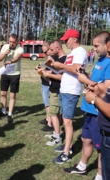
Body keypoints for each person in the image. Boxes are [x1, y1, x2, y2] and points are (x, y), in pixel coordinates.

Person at [64, 31, 110, 180]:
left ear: (106, 44)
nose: (94, 49)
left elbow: (106, 88)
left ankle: (100, 174)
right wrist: (87, 75)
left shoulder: (109, 61)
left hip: (99, 110)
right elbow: (97, 80)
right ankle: (82, 167)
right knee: (86, 139)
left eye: (97, 46)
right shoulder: (100, 59)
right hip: (89, 108)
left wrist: (84, 80)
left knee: (100, 148)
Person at [51, 29, 87, 164]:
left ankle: (67, 152)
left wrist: (61, 65)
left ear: (75, 39)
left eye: (67, 39)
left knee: (67, 122)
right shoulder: (72, 53)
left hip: (71, 91)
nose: (65, 41)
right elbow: (68, 68)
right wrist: (57, 67)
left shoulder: (80, 52)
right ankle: (68, 144)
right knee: (65, 121)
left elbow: (76, 69)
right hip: (65, 89)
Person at [41, 40, 66, 146]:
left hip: (57, 89)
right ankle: (55, 133)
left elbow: (61, 76)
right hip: (53, 88)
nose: (50, 52)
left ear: (58, 48)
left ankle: (57, 137)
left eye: (51, 49)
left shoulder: (64, 60)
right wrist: (44, 72)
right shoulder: (58, 59)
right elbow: (54, 72)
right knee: (54, 113)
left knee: (53, 113)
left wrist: (48, 74)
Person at [0, 34, 24, 123]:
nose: (11, 44)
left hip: (15, 74)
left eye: (13, 42)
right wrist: (4, 53)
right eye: (10, 41)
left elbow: (18, 57)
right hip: (5, 73)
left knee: (12, 95)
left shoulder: (20, 48)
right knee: (3, 93)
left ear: (17, 42)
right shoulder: (5, 47)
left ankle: (10, 114)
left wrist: (11, 61)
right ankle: (3, 111)